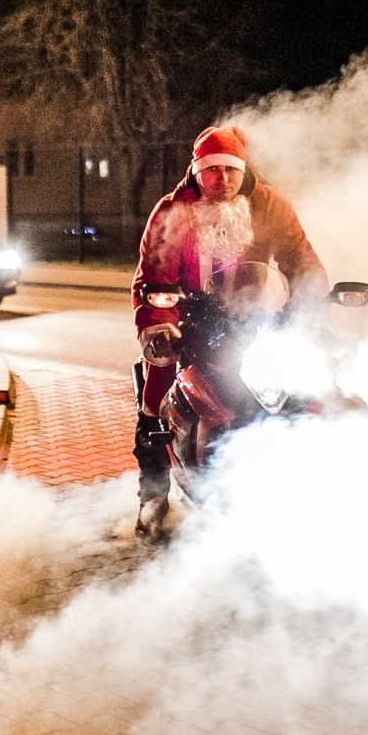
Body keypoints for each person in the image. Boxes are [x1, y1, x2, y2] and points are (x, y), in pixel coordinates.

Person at [130, 125, 327, 538]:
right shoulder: (172, 211)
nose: (223, 179)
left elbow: (300, 257)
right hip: (190, 318)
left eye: (231, 170)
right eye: (213, 170)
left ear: (243, 170)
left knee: (302, 388)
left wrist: (310, 303)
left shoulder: (269, 204)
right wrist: (160, 325)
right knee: (156, 389)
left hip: (254, 316)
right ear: (197, 172)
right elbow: (153, 275)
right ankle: (153, 494)